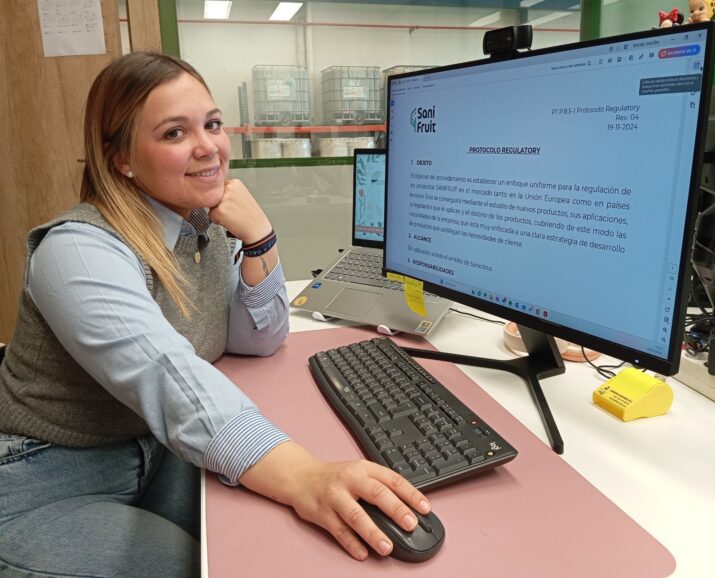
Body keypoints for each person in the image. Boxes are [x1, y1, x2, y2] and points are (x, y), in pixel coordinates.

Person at [0, 52, 430, 577]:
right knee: (207, 564)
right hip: (45, 478)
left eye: (213, 124)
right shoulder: (78, 251)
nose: (209, 147)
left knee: (256, 541)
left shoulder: (197, 226)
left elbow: (260, 338)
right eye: (175, 133)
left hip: (155, 452)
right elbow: (166, 375)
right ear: (122, 159)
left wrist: (260, 237)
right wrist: (304, 476)